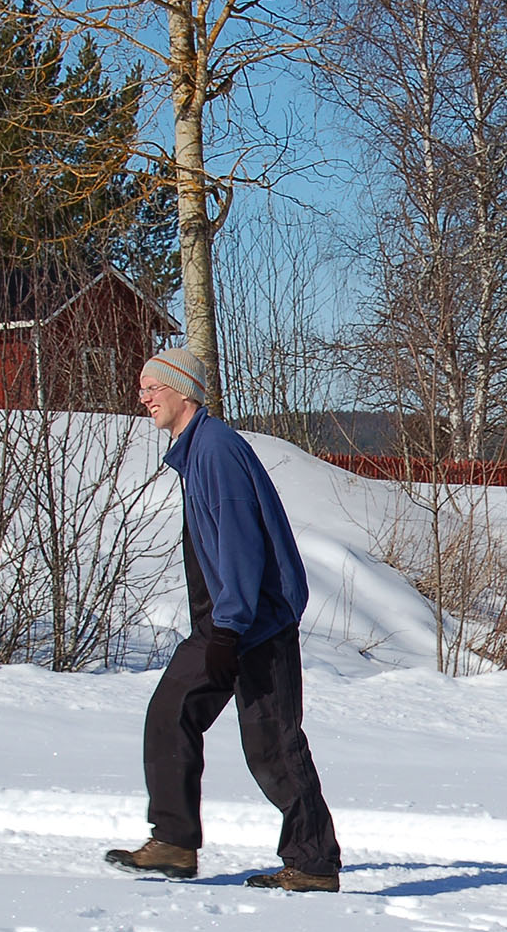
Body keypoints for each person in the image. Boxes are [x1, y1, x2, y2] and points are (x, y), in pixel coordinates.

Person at [105, 348, 344, 893]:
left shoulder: (216, 451)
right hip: (224, 622)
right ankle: (173, 842)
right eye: (141, 387)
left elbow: (240, 547)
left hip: (253, 625)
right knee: (172, 714)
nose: (143, 397)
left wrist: (230, 630)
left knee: (273, 745)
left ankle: (312, 863)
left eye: (152, 387)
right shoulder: (198, 452)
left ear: (183, 390)